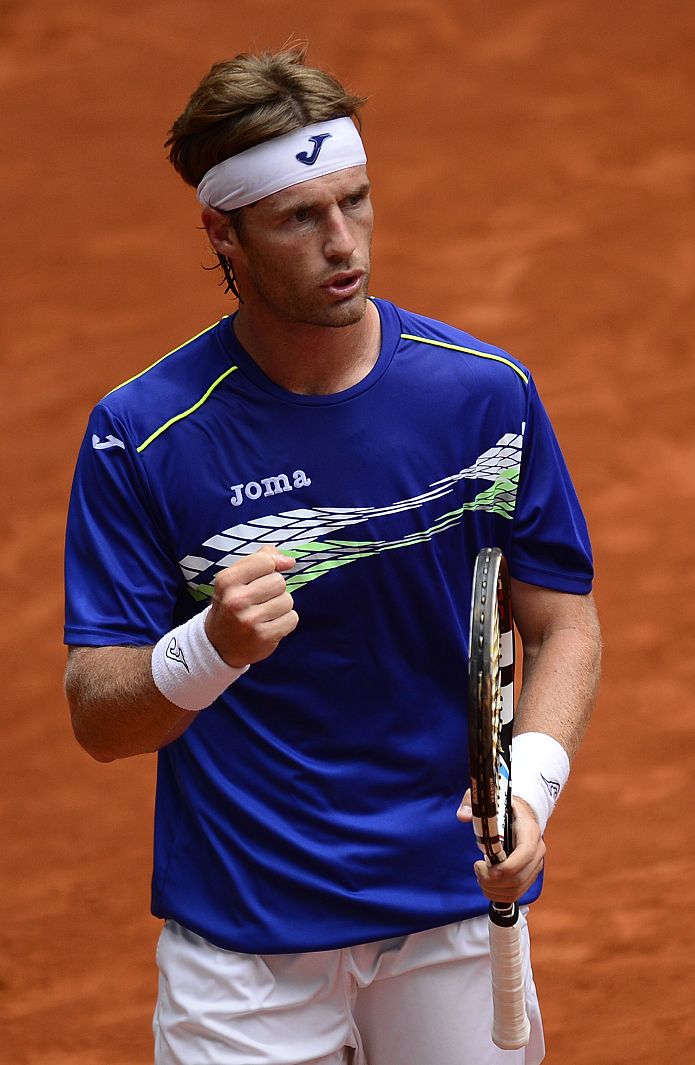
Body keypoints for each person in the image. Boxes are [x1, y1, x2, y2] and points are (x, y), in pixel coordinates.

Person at [61, 47, 601, 1065]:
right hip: (243, 939)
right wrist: (209, 646)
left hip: (447, 904)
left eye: (354, 200)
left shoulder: (484, 396)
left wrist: (528, 782)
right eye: (298, 218)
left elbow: (559, 621)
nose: (342, 242)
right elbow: (99, 716)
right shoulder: (143, 436)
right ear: (222, 232)